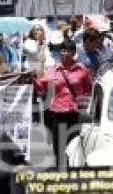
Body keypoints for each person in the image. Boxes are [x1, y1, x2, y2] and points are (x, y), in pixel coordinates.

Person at [35, 39, 92, 169]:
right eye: (62, 50)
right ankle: (62, 170)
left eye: (67, 50)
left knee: (74, 142)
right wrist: (37, 69)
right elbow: (40, 85)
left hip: (74, 112)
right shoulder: (53, 69)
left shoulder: (82, 69)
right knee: (59, 144)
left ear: (73, 52)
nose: (64, 53)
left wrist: (81, 100)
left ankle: (75, 167)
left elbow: (88, 87)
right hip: (56, 112)